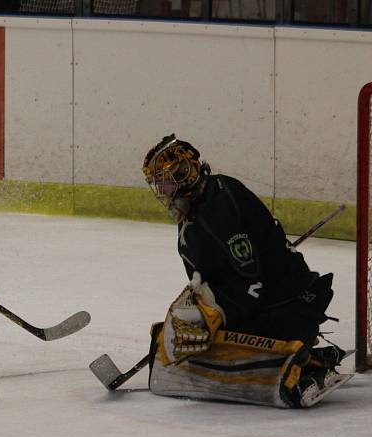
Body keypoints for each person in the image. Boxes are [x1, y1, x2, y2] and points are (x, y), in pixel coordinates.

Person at [140, 134, 350, 408]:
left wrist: (219, 313)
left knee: (215, 344)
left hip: (289, 305)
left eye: (165, 182)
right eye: (158, 184)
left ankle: (305, 365)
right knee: (198, 336)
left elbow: (253, 285)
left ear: (184, 174)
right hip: (275, 299)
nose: (162, 190)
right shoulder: (203, 203)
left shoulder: (216, 209)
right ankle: (309, 354)